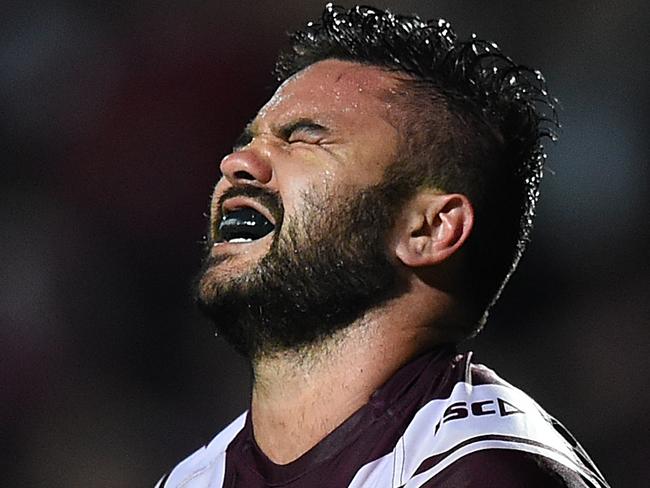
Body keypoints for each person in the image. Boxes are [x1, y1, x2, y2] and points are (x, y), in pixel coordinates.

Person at [156, 4, 609, 487]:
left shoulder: (480, 470)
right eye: (247, 139)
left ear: (430, 230)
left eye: (305, 139)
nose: (238, 161)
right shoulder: (190, 479)